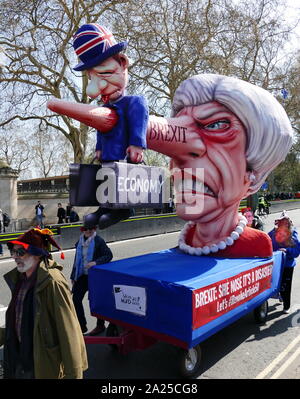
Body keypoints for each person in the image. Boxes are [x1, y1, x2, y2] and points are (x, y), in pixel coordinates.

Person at [145, 74, 293, 257]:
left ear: (253, 172)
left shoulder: (258, 244)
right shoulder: (187, 240)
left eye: (216, 125)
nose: (178, 156)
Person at [49, 23, 148, 229]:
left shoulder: (134, 102)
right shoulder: (104, 106)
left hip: (125, 155)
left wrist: (137, 144)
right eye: (92, 77)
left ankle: (123, 208)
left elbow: (139, 121)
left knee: (121, 181)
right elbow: (101, 130)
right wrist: (99, 149)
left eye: (104, 75)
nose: (96, 88)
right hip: (109, 155)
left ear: (122, 63)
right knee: (106, 180)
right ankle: (105, 208)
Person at [0, 228, 88, 379]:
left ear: (37, 254)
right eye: (13, 252)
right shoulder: (20, 279)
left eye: (20, 252)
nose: (15, 257)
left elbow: (68, 330)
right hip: (18, 360)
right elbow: (18, 324)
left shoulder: (52, 282)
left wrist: (74, 373)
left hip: (41, 364)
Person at [71, 218, 113, 335]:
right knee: (76, 299)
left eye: (91, 228)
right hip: (81, 276)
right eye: (86, 229)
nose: (88, 231)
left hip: (95, 276)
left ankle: (100, 325)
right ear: (82, 230)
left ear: (94, 229)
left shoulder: (99, 241)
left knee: (95, 301)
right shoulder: (79, 242)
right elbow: (77, 260)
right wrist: (73, 276)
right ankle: (81, 326)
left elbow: (108, 255)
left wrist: (95, 262)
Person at [268, 211, 300, 313]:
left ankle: (287, 305)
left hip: (288, 265)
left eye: (287, 222)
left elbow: (296, 252)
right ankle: (280, 295)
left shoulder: (293, 233)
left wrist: (287, 250)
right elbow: (265, 241)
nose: (285, 224)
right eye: (283, 221)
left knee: (286, 286)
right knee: (276, 283)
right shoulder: (273, 233)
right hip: (275, 264)